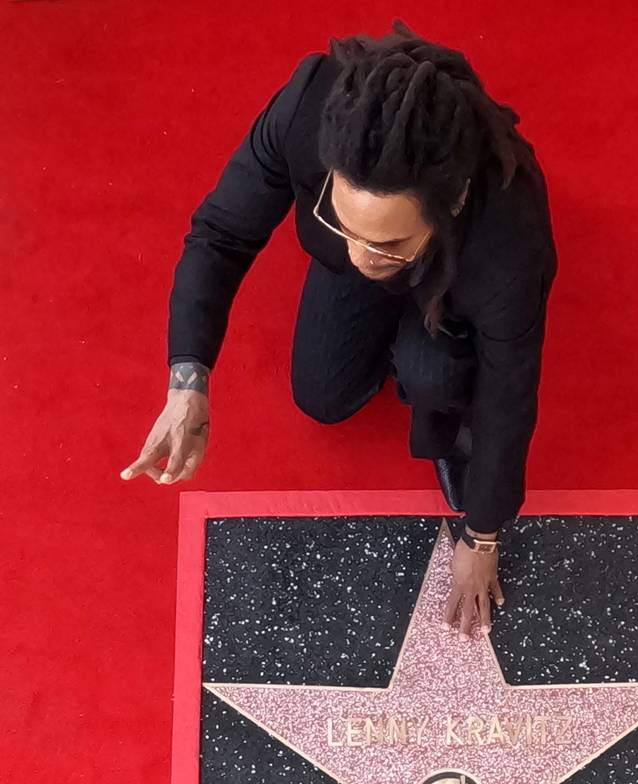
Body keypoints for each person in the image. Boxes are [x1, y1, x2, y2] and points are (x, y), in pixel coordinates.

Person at [120, 21, 558, 640]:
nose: (360, 255)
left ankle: (433, 378)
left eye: (385, 241)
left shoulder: (508, 241)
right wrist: (187, 378)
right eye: (343, 221)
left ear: (451, 204)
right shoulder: (307, 108)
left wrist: (483, 533)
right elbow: (220, 234)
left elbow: (512, 388)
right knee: (322, 396)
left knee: (433, 375)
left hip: (451, 289)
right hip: (406, 257)